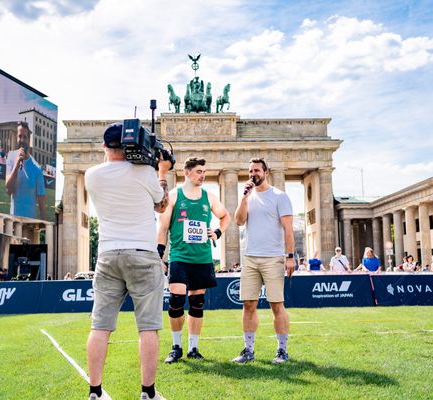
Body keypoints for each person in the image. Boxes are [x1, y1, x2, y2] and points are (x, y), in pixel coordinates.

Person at [85, 123, 171, 400]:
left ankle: (95, 391)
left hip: (108, 254)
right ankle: (147, 392)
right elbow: (162, 205)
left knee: (100, 326)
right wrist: (163, 173)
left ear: (104, 147)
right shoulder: (145, 172)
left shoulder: (91, 175)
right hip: (142, 254)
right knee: (148, 327)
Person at [157, 157, 230, 363]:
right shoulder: (174, 195)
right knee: (176, 301)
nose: (203, 175)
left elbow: (226, 217)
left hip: (203, 257)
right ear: (187, 172)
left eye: (204, 172)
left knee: (197, 304)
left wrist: (217, 232)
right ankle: (176, 346)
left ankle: (194, 348)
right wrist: (159, 254)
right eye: (199, 171)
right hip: (179, 256)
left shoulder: (209, 197)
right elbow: (162, 228)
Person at [232, 158, 295, 364]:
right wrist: (243, 198)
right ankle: (248, 350)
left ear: (266, 172)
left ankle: (282, 350)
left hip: (273, 258)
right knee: (248, 304)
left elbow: (288, 229)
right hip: (250, 257)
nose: (253, 174)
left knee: (277, 305)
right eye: (250, 171)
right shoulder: (248, 197)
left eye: (256, 170)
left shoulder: (279, 196)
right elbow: (239, 221)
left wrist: (290, 256)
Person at [5, 121, 46, 220]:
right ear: (16, 137)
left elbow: (42, 205)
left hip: (30, 225)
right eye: (20, 136)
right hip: (13, 222)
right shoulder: (10, 157)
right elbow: (8, 190)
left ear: (29, 140)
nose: (22, 140)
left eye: (25, 137)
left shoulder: (37, 168)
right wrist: (16, 164)